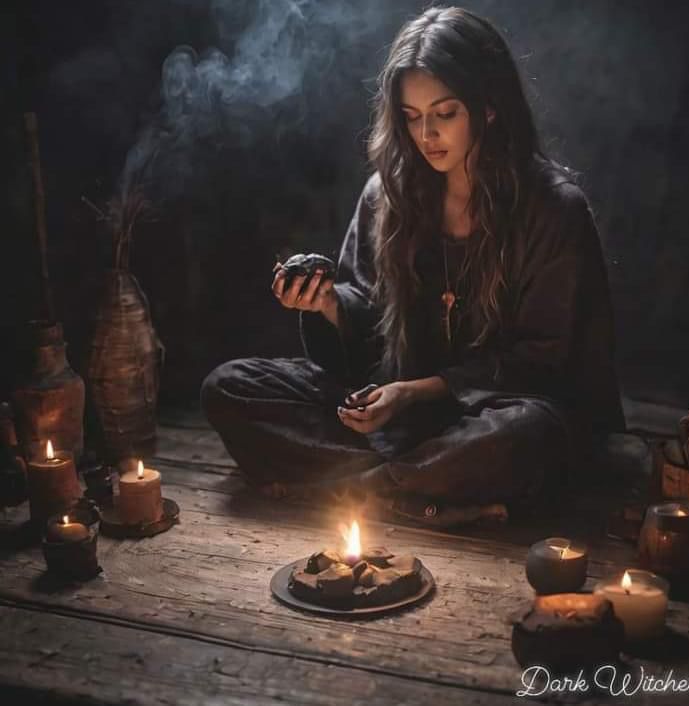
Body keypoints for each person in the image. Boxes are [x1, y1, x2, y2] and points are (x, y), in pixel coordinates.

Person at [201, 6, 625, 517]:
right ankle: (418, 484)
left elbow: (542, 365)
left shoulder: (553, 209)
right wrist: (329, 306)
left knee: (527, 434)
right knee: (230, 387)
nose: (426, 136)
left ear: (488, 107)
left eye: (445, 114)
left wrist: (416, 393)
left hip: (494, 417)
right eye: (411, 116)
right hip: (400, 420)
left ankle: (363, 486)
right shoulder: (388, 195)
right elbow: (368, 321)